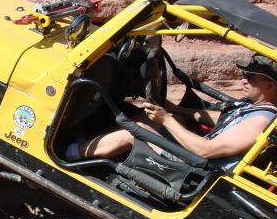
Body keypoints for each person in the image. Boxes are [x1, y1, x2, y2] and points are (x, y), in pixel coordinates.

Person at [66, 54, 277, 169]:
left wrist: (167, 119)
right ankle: (89, 145)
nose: (243, 80)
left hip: (196, 169)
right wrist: (176, 110)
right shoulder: (254, 106)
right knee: (145, 117)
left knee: (133, 132)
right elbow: (224, 119)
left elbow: (206, 151)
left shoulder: (262, 120)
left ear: (270, 85)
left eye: (250, 78)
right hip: (196, 158)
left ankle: (66, 154)